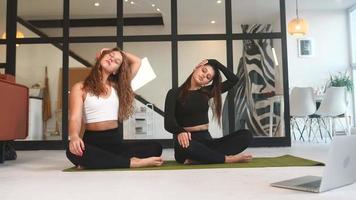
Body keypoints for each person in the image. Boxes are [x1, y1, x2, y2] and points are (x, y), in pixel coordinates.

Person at [66, 47, 163, 169]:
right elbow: (75, 118)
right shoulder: (80, 88)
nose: (112, 58)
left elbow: (137, 61)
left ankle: (98, 162)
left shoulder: (117, 86)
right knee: (71, 152)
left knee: (155, 147)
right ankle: (132, 162)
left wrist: (119, 53)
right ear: (100, 57)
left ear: (116, 71)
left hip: (115, 143)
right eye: (110, 55)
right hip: (92, 142)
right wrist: (74, 136)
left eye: (117, 61)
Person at [164, 59, 253, 164]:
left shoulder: (207, 92)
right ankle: (226, 159)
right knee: (187, 148)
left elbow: (233, 80)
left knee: (246, 135)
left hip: (207, 141)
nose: (204, 76)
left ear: (208, 82)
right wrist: (180, 131)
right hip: (187, 142)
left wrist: (215, 62)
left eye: (208, 77)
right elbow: (168, 123)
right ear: (196, 68)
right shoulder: (174, 93)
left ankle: (201, 158)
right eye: (203, 70)